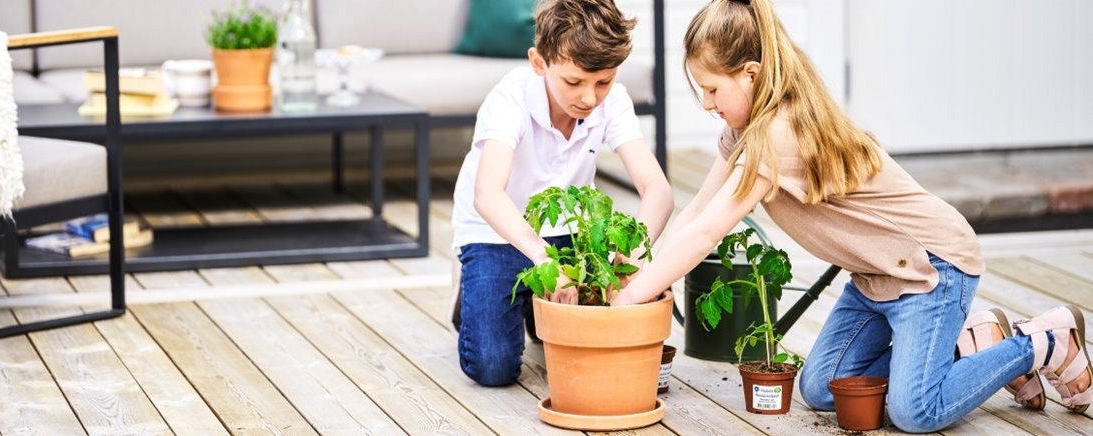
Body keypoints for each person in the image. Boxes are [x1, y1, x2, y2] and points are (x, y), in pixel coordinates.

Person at [612, 0, 1091, 431]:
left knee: (915, 410)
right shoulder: (746, 130)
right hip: (876, 278)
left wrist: (636, 294)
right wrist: (648, 267)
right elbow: (697, 212)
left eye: (712, 89)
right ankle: (972, 343)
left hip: (932, 268)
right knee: (822, 389)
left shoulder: (779, 135)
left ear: (751, 75)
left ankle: (1043, 340)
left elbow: (709, 233)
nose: (708, 103)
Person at [451, 0, 674, 387]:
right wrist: (544, 261)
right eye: (574, 82)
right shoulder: (510, 98)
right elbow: (487, 194)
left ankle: (525, 303)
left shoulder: (614, 101)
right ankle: (479, 290)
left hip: (567, 232)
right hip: (496, 233)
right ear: (540, 63)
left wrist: (632, 258)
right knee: (493, 368)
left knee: (572, 332)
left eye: (603, 81)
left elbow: (657, 191)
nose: (589, 98)